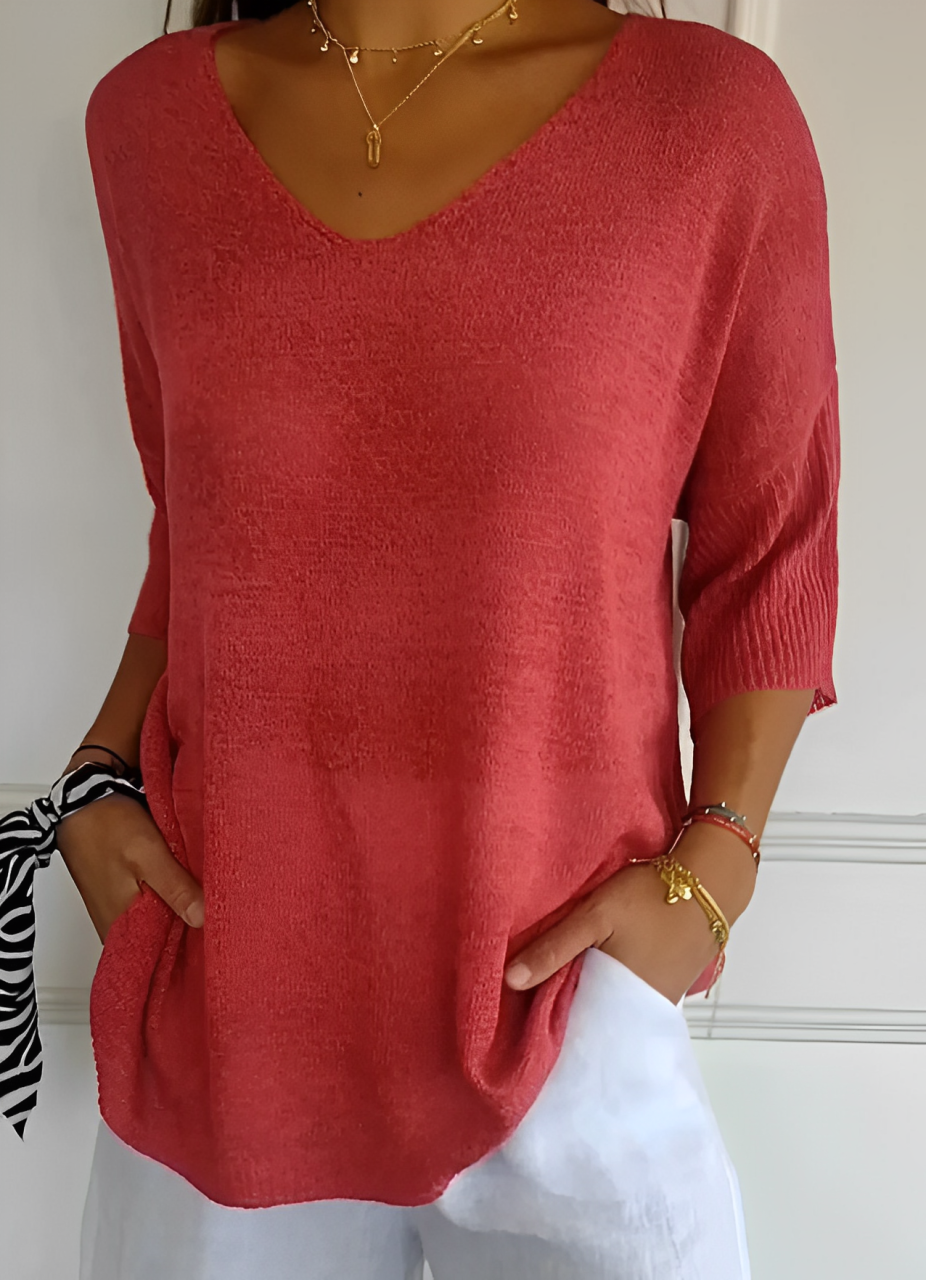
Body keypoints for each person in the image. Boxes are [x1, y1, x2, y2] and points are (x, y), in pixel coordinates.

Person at [59, 0, 840, 1276]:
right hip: (224, 1010)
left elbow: (772, 548)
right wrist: (98, 775)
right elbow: (196, 526)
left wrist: (717, 867)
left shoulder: (708, 123)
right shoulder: (147, 125)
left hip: (569, 1015)